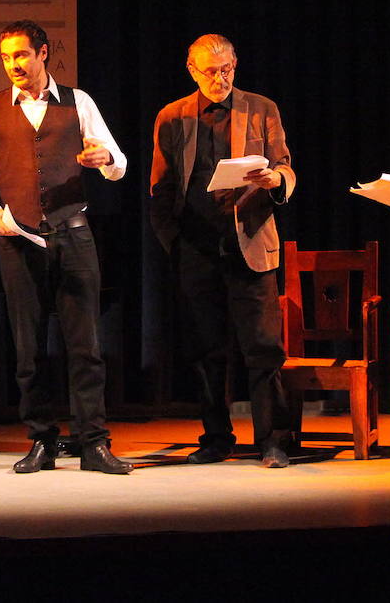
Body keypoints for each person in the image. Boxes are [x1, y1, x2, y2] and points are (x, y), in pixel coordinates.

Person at [0, 19, 131, 474]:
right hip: (19, 239)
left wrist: (106, 159)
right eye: (6, 57)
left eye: (21, 55)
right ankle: (41, 440)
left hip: (73, 235)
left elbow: (119, 165)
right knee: (28, 349)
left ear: (43, 53)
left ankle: (94, 443)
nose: (13, 64)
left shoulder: (79, 102)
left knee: (85, 346)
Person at [148, 34, 294, 468]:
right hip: (196, 247)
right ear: (192, 70)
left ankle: (273, 440)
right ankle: (215, 438)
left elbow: (285, 164)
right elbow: (161, 187)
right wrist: (173, 242)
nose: (220, 78)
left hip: (249, 243)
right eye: (210, 71)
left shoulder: (261, 108)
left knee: (263, 347)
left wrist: (277, 182)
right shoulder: (172, 116)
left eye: (227, 68)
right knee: (205, 349)